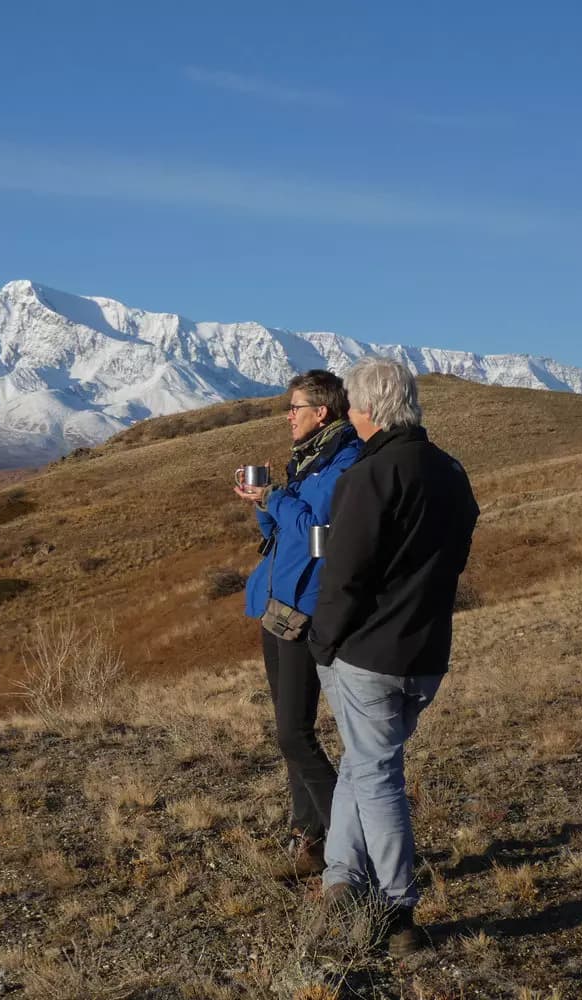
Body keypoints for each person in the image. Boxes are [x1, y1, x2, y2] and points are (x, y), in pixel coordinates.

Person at [307, 357, 480, 958]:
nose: (348, 414)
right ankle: (340, 878)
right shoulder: (450, 472)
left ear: (371, 409)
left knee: (377, 775)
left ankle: (397, 908)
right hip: (427, 650)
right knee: (364, 762)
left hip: (368, 655)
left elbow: (345, 578)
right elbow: (454, 558)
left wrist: (322, 640)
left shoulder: (370, 476)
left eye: (352, 405)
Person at [236, 369, 362, 881]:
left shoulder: (343, 463)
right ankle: (307, 838)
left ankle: (347, 841)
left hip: (303, 609)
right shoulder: (311, 462)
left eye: (295, 407)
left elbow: (318, 535)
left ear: (322, 412)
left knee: (294, 733)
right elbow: (288, 534)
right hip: (276, 603)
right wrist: (264, 501)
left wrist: (278, 501)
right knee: (291, 730)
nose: (288, 415)